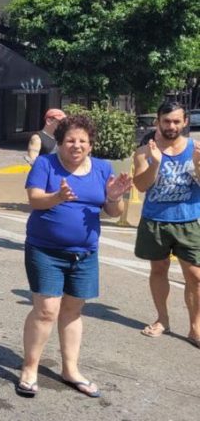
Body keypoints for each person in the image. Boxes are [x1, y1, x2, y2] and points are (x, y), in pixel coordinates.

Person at [17, 115, 132, 398]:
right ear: (60, 143)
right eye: (70, 140)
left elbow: (113, 212)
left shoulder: (103, 168)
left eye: (82, 141)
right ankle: (30, 369)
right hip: (45, 250)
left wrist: (115, 197)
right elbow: (34, 199)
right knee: (46, 311)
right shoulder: (46, 164)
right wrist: (56, 197)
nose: (76, 145)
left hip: (85, 254)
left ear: (91, 145)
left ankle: (70, 369)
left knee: (73, 311)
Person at [133, 102, 200, 349]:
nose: (171, 126)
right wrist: (155, 163)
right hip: (155, 221)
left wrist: (199, 164)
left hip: (189, 221)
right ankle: (163, 319)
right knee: (158, 270)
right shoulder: (144, 151)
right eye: (166, 121)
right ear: (157, 122)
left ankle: (195, 327)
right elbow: (140, 186)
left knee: (195, 276)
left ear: (184, 122)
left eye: (176, 121)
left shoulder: (196, 149)